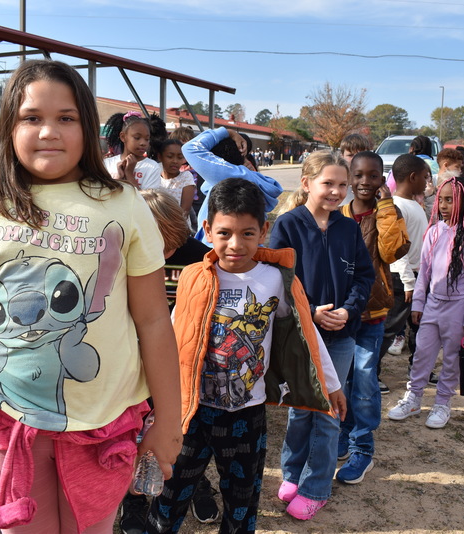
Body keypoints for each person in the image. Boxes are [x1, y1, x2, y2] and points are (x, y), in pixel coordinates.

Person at [0, 59, 182, 533]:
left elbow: (153, 322)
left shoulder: (123, 205)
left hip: (105, 418)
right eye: (31, 117)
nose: (49, 131)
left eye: (66, 118)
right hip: (4, 417)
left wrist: (169, 421)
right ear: (6, 128)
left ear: (87, 126)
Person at [145, 178, 344, 532]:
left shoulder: (276, 281)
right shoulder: (193, 277)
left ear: (263, 230)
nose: (235, 245)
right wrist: (154, 404)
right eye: (223, 233)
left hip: (246, 415)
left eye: (247, 234)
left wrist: (331, 385)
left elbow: (305, 334)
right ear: (207, 229)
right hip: (190, 412)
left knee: (241, 500)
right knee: (171, 493)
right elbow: (172, 338)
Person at [270, 151, 373, 517]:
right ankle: (293, 472)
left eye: (342, 185)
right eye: (328, 183)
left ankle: (317, 487)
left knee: (329, 411)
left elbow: (364, 275)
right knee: (301, 408)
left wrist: (349, 308)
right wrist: (310, 312)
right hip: (301, 333)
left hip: (341, 335)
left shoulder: (347, 227)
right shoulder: (287, 227)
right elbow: (277, 280)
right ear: (307, 183)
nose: (336, 192)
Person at [118, 190, 219, 533]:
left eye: (168, 245)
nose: (161, 254)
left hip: (182, 367)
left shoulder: (202, 258)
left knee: (183, 431)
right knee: (130, 433)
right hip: (129, 367)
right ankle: (131, 502)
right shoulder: (117, 257)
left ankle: (195, 484)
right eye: (151, 245)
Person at [387, 175, 464, 429]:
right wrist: (418, 304)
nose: (443, 205)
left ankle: (442, 403)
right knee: (422, 354)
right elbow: (425, 273)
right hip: (432, 305)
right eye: (441, 200)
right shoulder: (433, 232)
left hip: (458, 308)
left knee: (452, 359)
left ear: (463, 202)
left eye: (450, 201)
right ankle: (414, 397)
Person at [338, 151, 409, 482]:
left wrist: (385, 208)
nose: (365, 181)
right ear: (349, 178)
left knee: (365, 378)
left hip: (372, 312)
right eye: (359, 175)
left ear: (383, 180)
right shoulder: (337, 214)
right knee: (345, 379)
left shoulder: (388, 213)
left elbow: (391, 251)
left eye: (373, 175)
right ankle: (345, 431)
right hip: (340, 314)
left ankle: (362, 449)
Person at [181, 126, 282, 244]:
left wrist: (228, 132)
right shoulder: (242, 176)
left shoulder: (228, 176)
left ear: (215, 159)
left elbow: (190, 148)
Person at [380, 154, 430, 389]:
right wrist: (408, 281)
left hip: (418, 276)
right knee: (390, 327)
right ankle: (372, 373)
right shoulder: (398, 207)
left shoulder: (413, 204)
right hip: (402, 279)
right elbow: (395, 249)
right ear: (412, 177)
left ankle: (419, 371)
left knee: (421, 326)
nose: (427, 182)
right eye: (424, 177)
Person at [103, 111, 161, 189]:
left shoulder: (152, 167)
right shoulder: (107, 164)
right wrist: (118, 179)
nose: (143, 143)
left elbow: (147, 200)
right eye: (137, 138)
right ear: (123, 137)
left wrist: (129, 174)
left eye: (147, 139)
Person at [156, 139, 195, 217]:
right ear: (160, 157)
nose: (175, 161)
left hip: (177, 226)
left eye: (180, 157)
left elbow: (185, 212)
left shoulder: (186, 177)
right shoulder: (154, 174)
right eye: (170, 156)